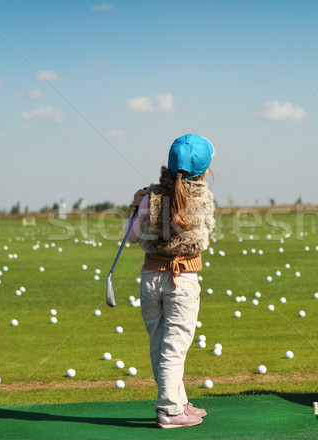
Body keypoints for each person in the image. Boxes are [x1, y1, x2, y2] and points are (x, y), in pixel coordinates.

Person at [126, 134, 215, 429]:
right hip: (183, 283)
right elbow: (203, 233)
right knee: (174, 349)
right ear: (203, 171)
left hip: (150, 280)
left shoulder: (150, 197)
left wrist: (136, 206)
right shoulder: (202, 196)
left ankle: (179, 401)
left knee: (160, 348)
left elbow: (132, 237)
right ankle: (170, 410)